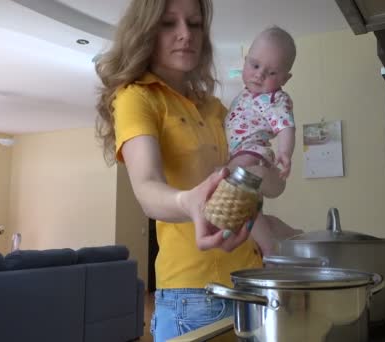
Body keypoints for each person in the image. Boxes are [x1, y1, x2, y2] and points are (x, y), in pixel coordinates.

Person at [94, 0, 283, 340]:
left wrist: (271, 170)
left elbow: (255, 176)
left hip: (252, 284)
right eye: (169, 23)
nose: (185, 34)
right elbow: (148, 187)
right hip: (194, 294)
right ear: (146, 30)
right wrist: (188, 202)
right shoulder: (137, 97)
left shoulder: (214, 107)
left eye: (194, 23)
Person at [225, 27, 299, 256]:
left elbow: (286, 126)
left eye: (271, 73)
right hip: (239, 152)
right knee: (251, 215)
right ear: (245, 61)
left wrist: (285, 152)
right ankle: (289, 233)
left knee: (230, 181)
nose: (259, 75)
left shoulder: (275, 99)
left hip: (252, 152)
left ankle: (270, 250)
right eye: (255, 66)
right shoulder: (244, 93)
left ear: (285, 78)